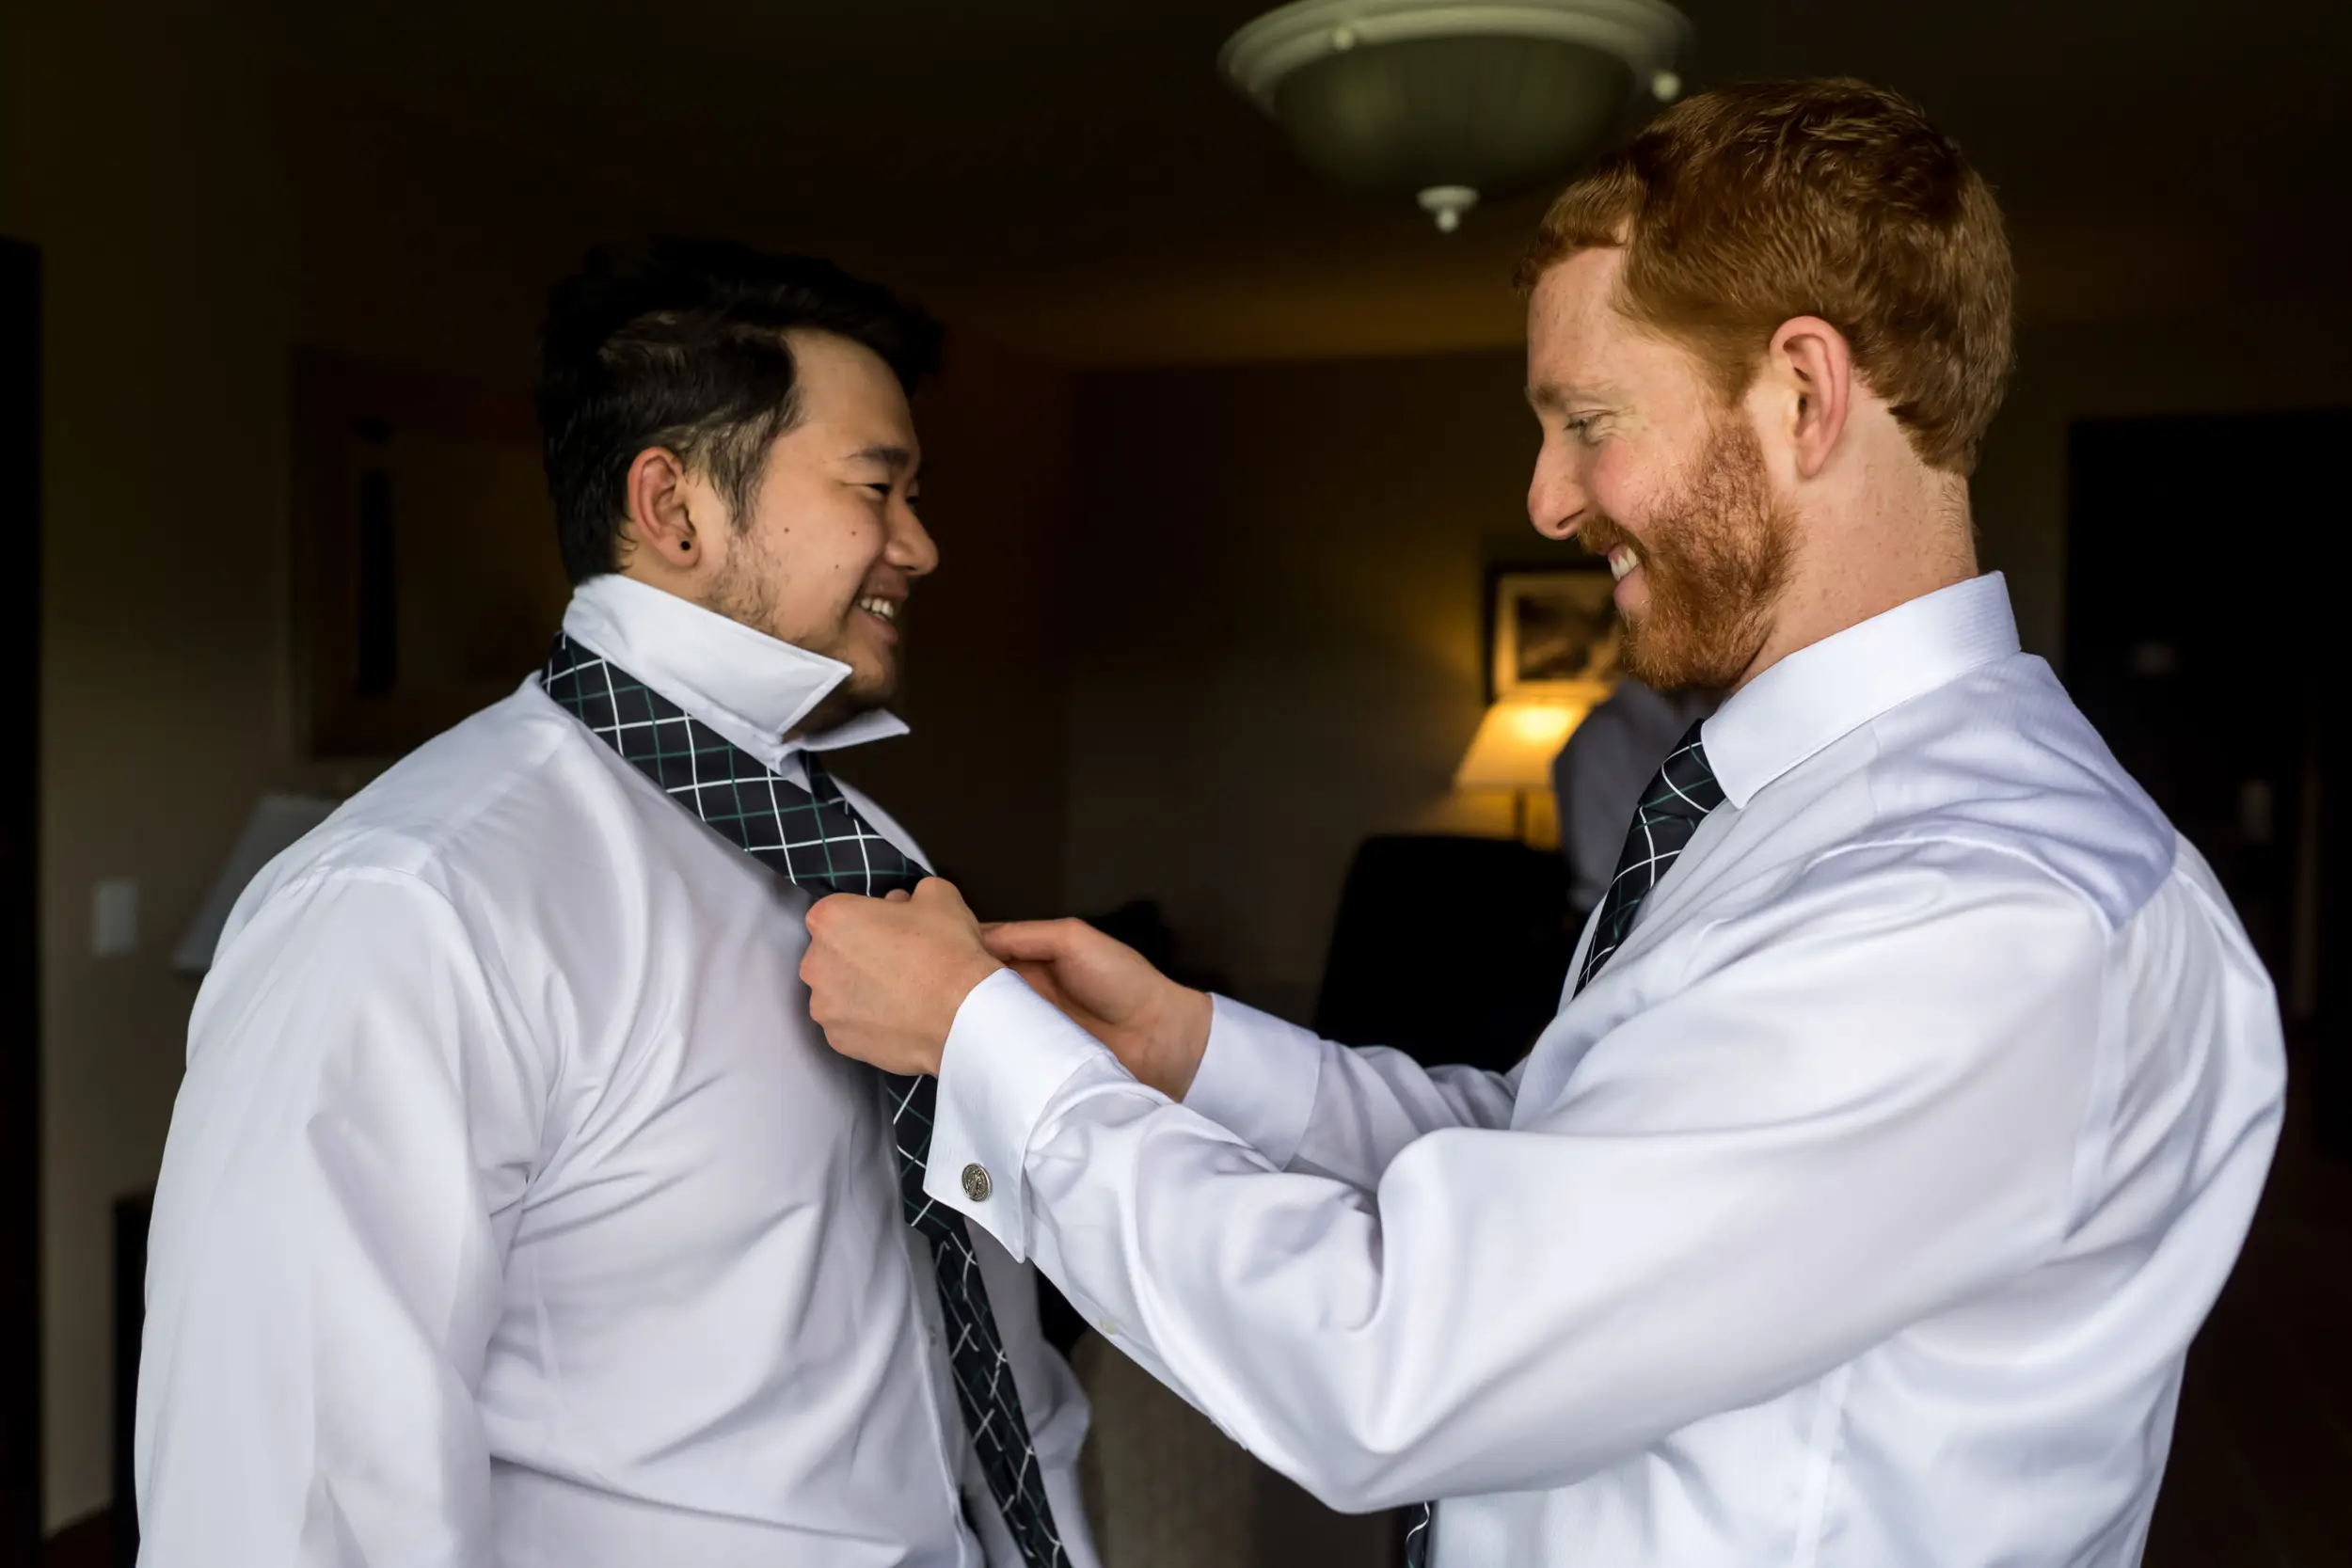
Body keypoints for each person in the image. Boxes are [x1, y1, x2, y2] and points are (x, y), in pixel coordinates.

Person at [798, 81, 2287, 1567]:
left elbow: (1404, 1358)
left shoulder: (1979, 908)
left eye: (1587, 422)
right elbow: (1566, 1163)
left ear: (1805, 395)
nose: (1548, 499)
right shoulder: (1789, 810)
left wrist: (988, 1052)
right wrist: (1192, 1054)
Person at [136, 241, 1099, 1568]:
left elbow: (969, 1304)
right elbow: (294, 1501)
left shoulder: (863, 846)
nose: (921, 546)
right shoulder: (411, 906)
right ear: (674, 505)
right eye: (879, 488)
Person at [1550, 677, 1716, 923]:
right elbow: (1596, 862)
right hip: (1618, 921)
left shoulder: (1705, 717)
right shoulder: (1602, 735)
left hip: (1690, 911)